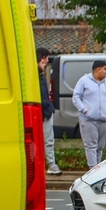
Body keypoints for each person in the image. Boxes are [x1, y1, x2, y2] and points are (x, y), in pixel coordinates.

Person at [73, 60, 106, 167]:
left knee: (100, 147)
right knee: (91, 146)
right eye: (104, 69)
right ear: (97, 69)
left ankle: (97, 168)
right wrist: (84, 110)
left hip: (103, 119)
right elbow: (76, 97)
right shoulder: (84, 81)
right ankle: (92, 169)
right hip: (88, 119)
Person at [37, 47, 62, 175]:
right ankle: (51, 165)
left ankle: (50, 164)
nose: (47, 62)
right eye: (46, 59)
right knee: (48, 140)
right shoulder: (37, 75)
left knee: (46, 140)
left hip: (44, 111)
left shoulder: (39, 75)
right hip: (43, 111)